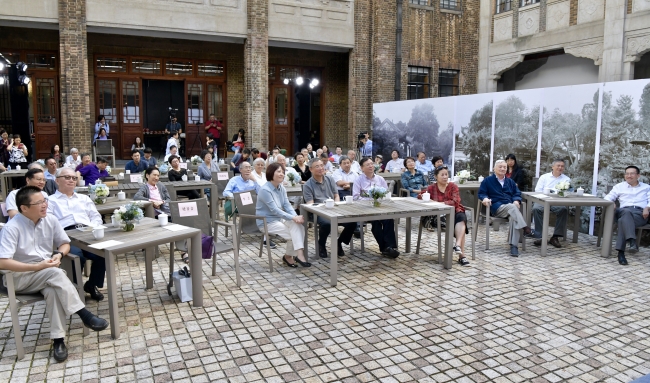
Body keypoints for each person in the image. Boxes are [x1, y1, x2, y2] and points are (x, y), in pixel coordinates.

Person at [0, 186, 109, 362]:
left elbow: (64, 243)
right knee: (55, 274)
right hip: (18, 277)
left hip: (45, 274)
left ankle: (58, 341)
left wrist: (59, 254)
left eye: (45, 201)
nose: (44, 205)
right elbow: (2, 262)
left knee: (53, 290)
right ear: (24, 208)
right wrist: (37, 267)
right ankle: (84, 315)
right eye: (39, 203)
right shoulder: (12, 228)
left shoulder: (50, 220)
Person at [48, 167, 107, 302]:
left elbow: (96, 216)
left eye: (74, 178)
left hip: (87, 232)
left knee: (103, 254)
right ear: (57, 180)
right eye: (67, 177)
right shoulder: (51, 201)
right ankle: (75, 289)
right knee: (77, 257)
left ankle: (91, 285)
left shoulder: (83, 198)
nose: (71, 180)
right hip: (66, 235)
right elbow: (50, 223)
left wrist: (94, 228)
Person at [256, 163, 310, 267]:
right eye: (279, 172)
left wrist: (296, 218)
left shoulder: (281, 188)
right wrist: (294, 217)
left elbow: (287, 205)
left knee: (299, 226)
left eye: (283, 172)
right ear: (271, 173)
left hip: (279, 219)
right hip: (266, 222)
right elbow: (275, 210)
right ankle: (289, 257)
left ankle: (298, 255)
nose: (282, 174)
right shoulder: (265, 190)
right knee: (293, 234)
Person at [478, 159, 535, 257]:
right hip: (497, 208)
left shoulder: (510, 181)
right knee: (513, 208)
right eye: (500, 167)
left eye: (505, 167)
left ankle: (514, 246)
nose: (502, 169)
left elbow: (517, 193)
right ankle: (526, 228)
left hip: (510, 209)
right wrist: (485, 198)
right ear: (494, 168)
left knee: (514, 217)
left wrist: (517, 200)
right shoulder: (487, 180)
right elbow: (482, 193)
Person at [304, 158, 357, 258]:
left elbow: (336, 195)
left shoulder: (330, 179)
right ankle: (321, 245)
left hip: (333, 208)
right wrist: (324, 208)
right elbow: (310, 204)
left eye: (321, 165)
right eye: (317, 166)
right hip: (318, 212)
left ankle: (339, 242)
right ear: (311, 169)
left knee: (352, 222)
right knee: (327, 223)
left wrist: (336, 205)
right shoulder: (308, 185)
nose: (321, 168)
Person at [421, 166, 470, 266]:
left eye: (446, 174)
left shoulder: (453, 186)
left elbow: (455, 201)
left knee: (461, 218)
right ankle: (462, 256)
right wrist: (424, 197)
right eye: (442, 175)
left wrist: (438, 202)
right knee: (456, 224)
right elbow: (422, 195)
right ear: (436, 176)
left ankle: (457, 246)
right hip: (439, 215)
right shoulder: (431, 187)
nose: (445, 177)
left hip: (455, 211)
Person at [353, 158, 400, 258]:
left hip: (380, 208)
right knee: (376, 223)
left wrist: (379, 199)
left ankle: (389, 247)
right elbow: (356, 197)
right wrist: (370, 199)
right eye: (367, 165)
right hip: (365, 209)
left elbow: (386, 194)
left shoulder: (380, 179)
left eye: (371, 164)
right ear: (362, 168)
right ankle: (386, 248)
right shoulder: (358, 180)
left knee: (389, 219)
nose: (370, 166)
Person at [603, 165, 650, 265]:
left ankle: (621, 253)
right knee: (626, 213)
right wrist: (612, 203)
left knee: (622, 221)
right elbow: (608, 197)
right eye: (627, 174)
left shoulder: (646, 188)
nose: (629, 176)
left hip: (639, 214)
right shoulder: (619, 186)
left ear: (638, 175)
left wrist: (647, 207)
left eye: (632, 173)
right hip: (623, 211)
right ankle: (632, 241)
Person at [532, 159, 570, 248]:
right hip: (542, 200)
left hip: (557, 202)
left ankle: (555, 237)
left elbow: (566, 192)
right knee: (536, 209)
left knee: (563, 210)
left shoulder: (566, 179)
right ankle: (540, 236)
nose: (560, 168)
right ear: (552, 167)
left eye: (562, 166)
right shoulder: (544, 177)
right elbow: (537, 190)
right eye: (558, 165)